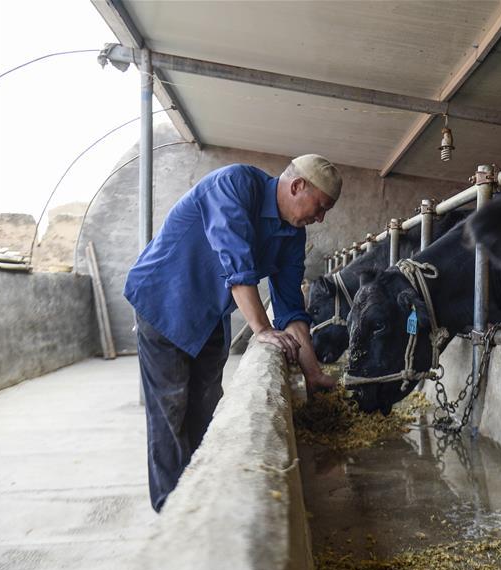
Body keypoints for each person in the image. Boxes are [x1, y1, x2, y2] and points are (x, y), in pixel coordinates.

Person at [124, 154, 340, 512]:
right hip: (164, 301)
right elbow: (235, 262)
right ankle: (172, 511)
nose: (320, 218)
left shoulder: (292, 235)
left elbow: (291, 309)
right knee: (170, 407)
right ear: (298, 186)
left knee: (207, 404)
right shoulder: (236, 185)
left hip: (210, 315)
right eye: (320, 207)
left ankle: (202, 494)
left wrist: (312, 372)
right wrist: (261, 329)